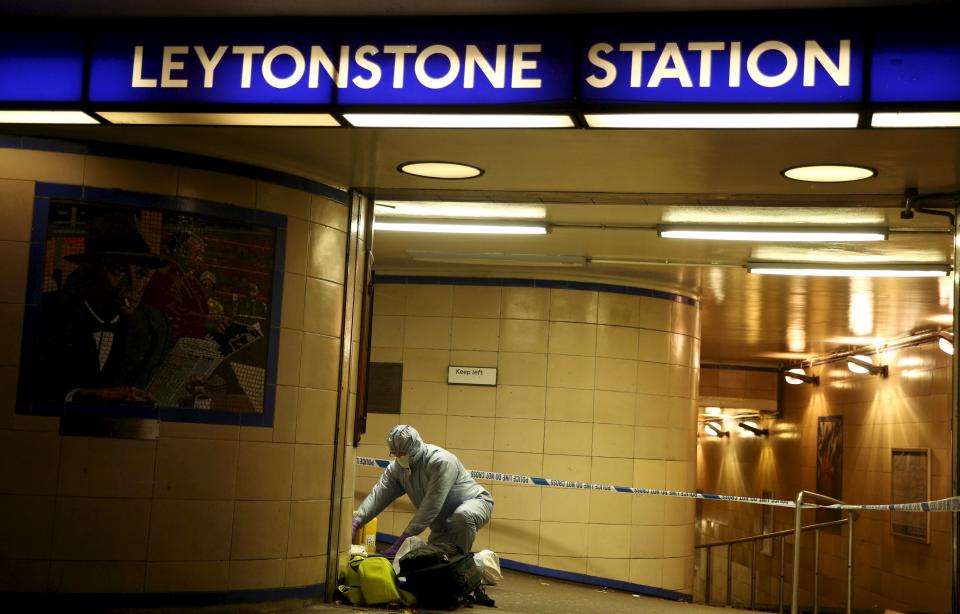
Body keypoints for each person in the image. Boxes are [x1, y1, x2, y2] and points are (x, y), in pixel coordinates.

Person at [36, 212, 170, 404]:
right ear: (88, 271)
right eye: (118, 269)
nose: (133, 285)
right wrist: (80, 396)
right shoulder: (46, 314)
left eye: (141, 273)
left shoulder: (154, 329)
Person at [352, 425, 494, 556]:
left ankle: (462, 565)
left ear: (414, 447)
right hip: (441, 524)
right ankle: (471, 567)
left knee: (462, 517)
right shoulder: (397, 469)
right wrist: (356, 522)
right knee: (433, 564)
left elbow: (431, 507)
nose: (398, 457)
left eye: (402, 453)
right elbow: (378, 496)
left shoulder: (439, 462)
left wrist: (402, 541)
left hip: (476, 502)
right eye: (394, 453)